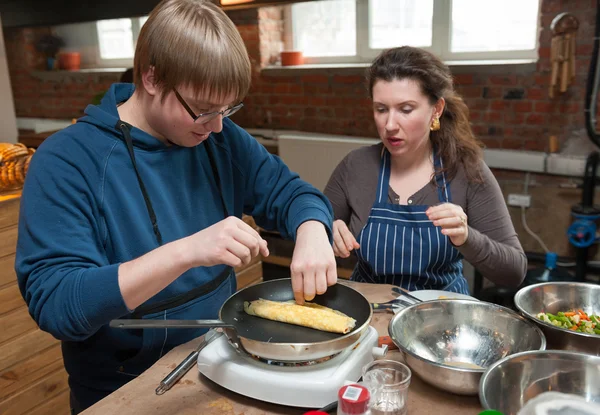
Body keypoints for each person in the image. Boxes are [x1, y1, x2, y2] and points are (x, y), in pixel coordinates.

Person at [15, 0, 336, 412]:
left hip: (220, 366)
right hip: (126, 392)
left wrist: (312, 229)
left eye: (227, 109)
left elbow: (294, 193)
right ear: (151, 77)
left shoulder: (218, 136)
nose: (218, 125)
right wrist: (186, 252)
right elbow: (59, 306)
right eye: (203, 110)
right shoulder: (67, 160)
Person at [324, 46, 526, 293]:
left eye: (406, 110)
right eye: (381, 109)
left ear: (436, 110)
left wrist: (466, 237)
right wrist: (325, 231)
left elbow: (514, 271)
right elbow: (312, 229)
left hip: (441, 317)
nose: (389, 125)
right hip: (370, 313)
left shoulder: (466, 171)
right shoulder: (356, 166)